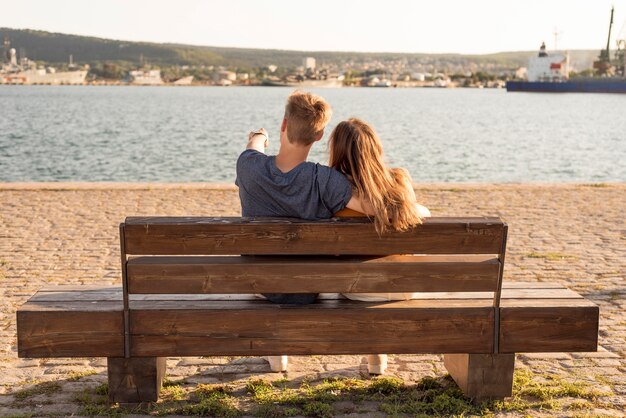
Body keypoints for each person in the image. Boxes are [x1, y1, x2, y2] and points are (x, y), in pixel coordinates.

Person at [235, 91, 369, 372]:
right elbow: (373, 207)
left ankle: (276, 347)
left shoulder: (249, 167)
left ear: (284, 125)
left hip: (260, 284)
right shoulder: (325, 180)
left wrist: (260, 135)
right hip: (305, 287)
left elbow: (253, 146)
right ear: (319, 137)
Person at [329, 117, 431, 374]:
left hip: (359, 290)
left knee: (362, 271)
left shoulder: (337, 192)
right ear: (376, 149)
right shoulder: (400, 180)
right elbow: (422, 213)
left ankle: (376, 358)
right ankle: (377, 359)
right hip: (406, 287)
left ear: (338, 151)